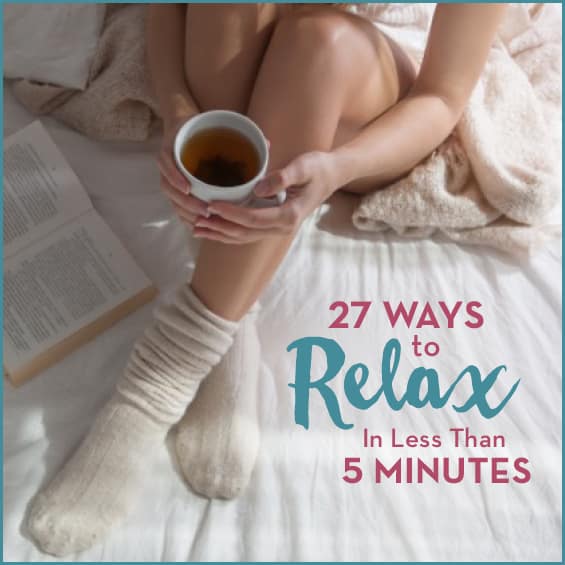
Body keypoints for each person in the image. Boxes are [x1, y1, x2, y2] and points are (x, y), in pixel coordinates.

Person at [26, 3, 508, 556]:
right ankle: (230, 313)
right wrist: (182, 110)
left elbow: (442, 98)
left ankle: (157, 381)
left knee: (317, 42)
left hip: (370, 106)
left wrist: (337, 170)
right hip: (239, 76)